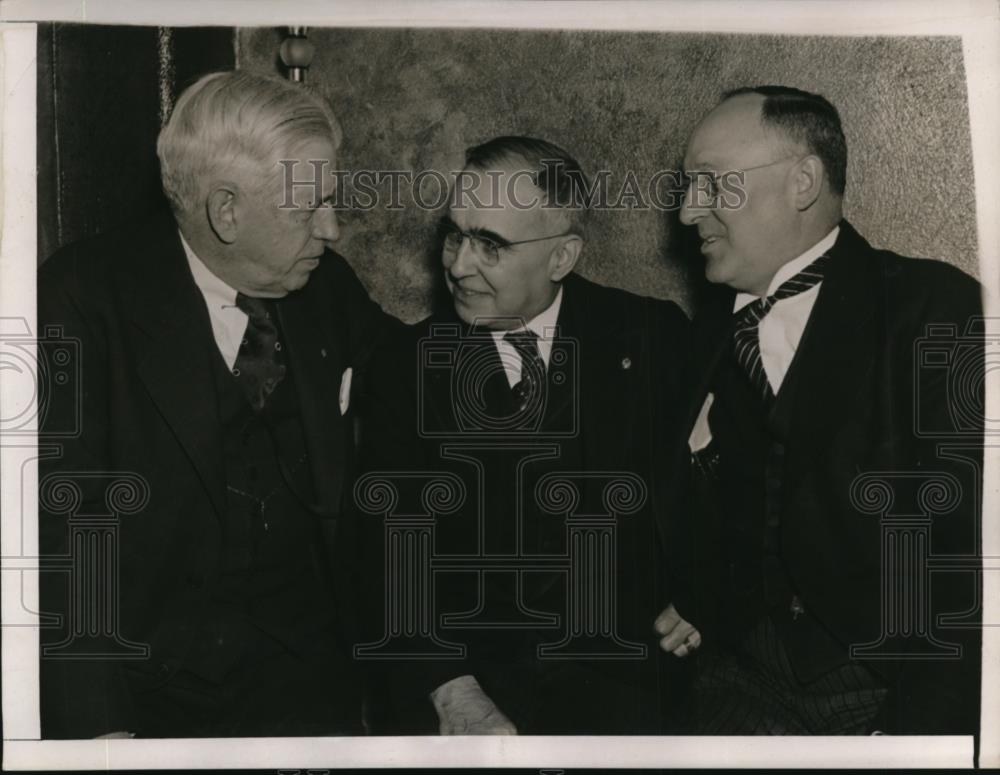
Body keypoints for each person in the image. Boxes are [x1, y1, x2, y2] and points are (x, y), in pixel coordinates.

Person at [37, 70, 397, 738]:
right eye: (308, 207)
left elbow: (416, 385)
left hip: (312, 683)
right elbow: (61, 535)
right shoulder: (80, 298)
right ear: (225, 210)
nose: (334, 228)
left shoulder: (323, 284)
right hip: (155, 692)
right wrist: (98, 728)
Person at [656, 85, 983, 736]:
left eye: (713, 185)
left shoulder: (935, 310)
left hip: (887, 688)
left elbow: (974, 561)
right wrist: (699, 596)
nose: (690, 211)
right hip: (739, 681)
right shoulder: (706, 339)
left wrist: (919, 734)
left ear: (803, 180)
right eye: (689, 189)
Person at [347, 136, 691, 734]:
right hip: (468, 687)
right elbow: (382, 553)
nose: (457, 265)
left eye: (491, 245)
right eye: (455, 235)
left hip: (630, 683)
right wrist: (450, 689)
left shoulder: (650, 335)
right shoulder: (403, 366)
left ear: (562, 258)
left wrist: (701, 595)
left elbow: (715, 487)